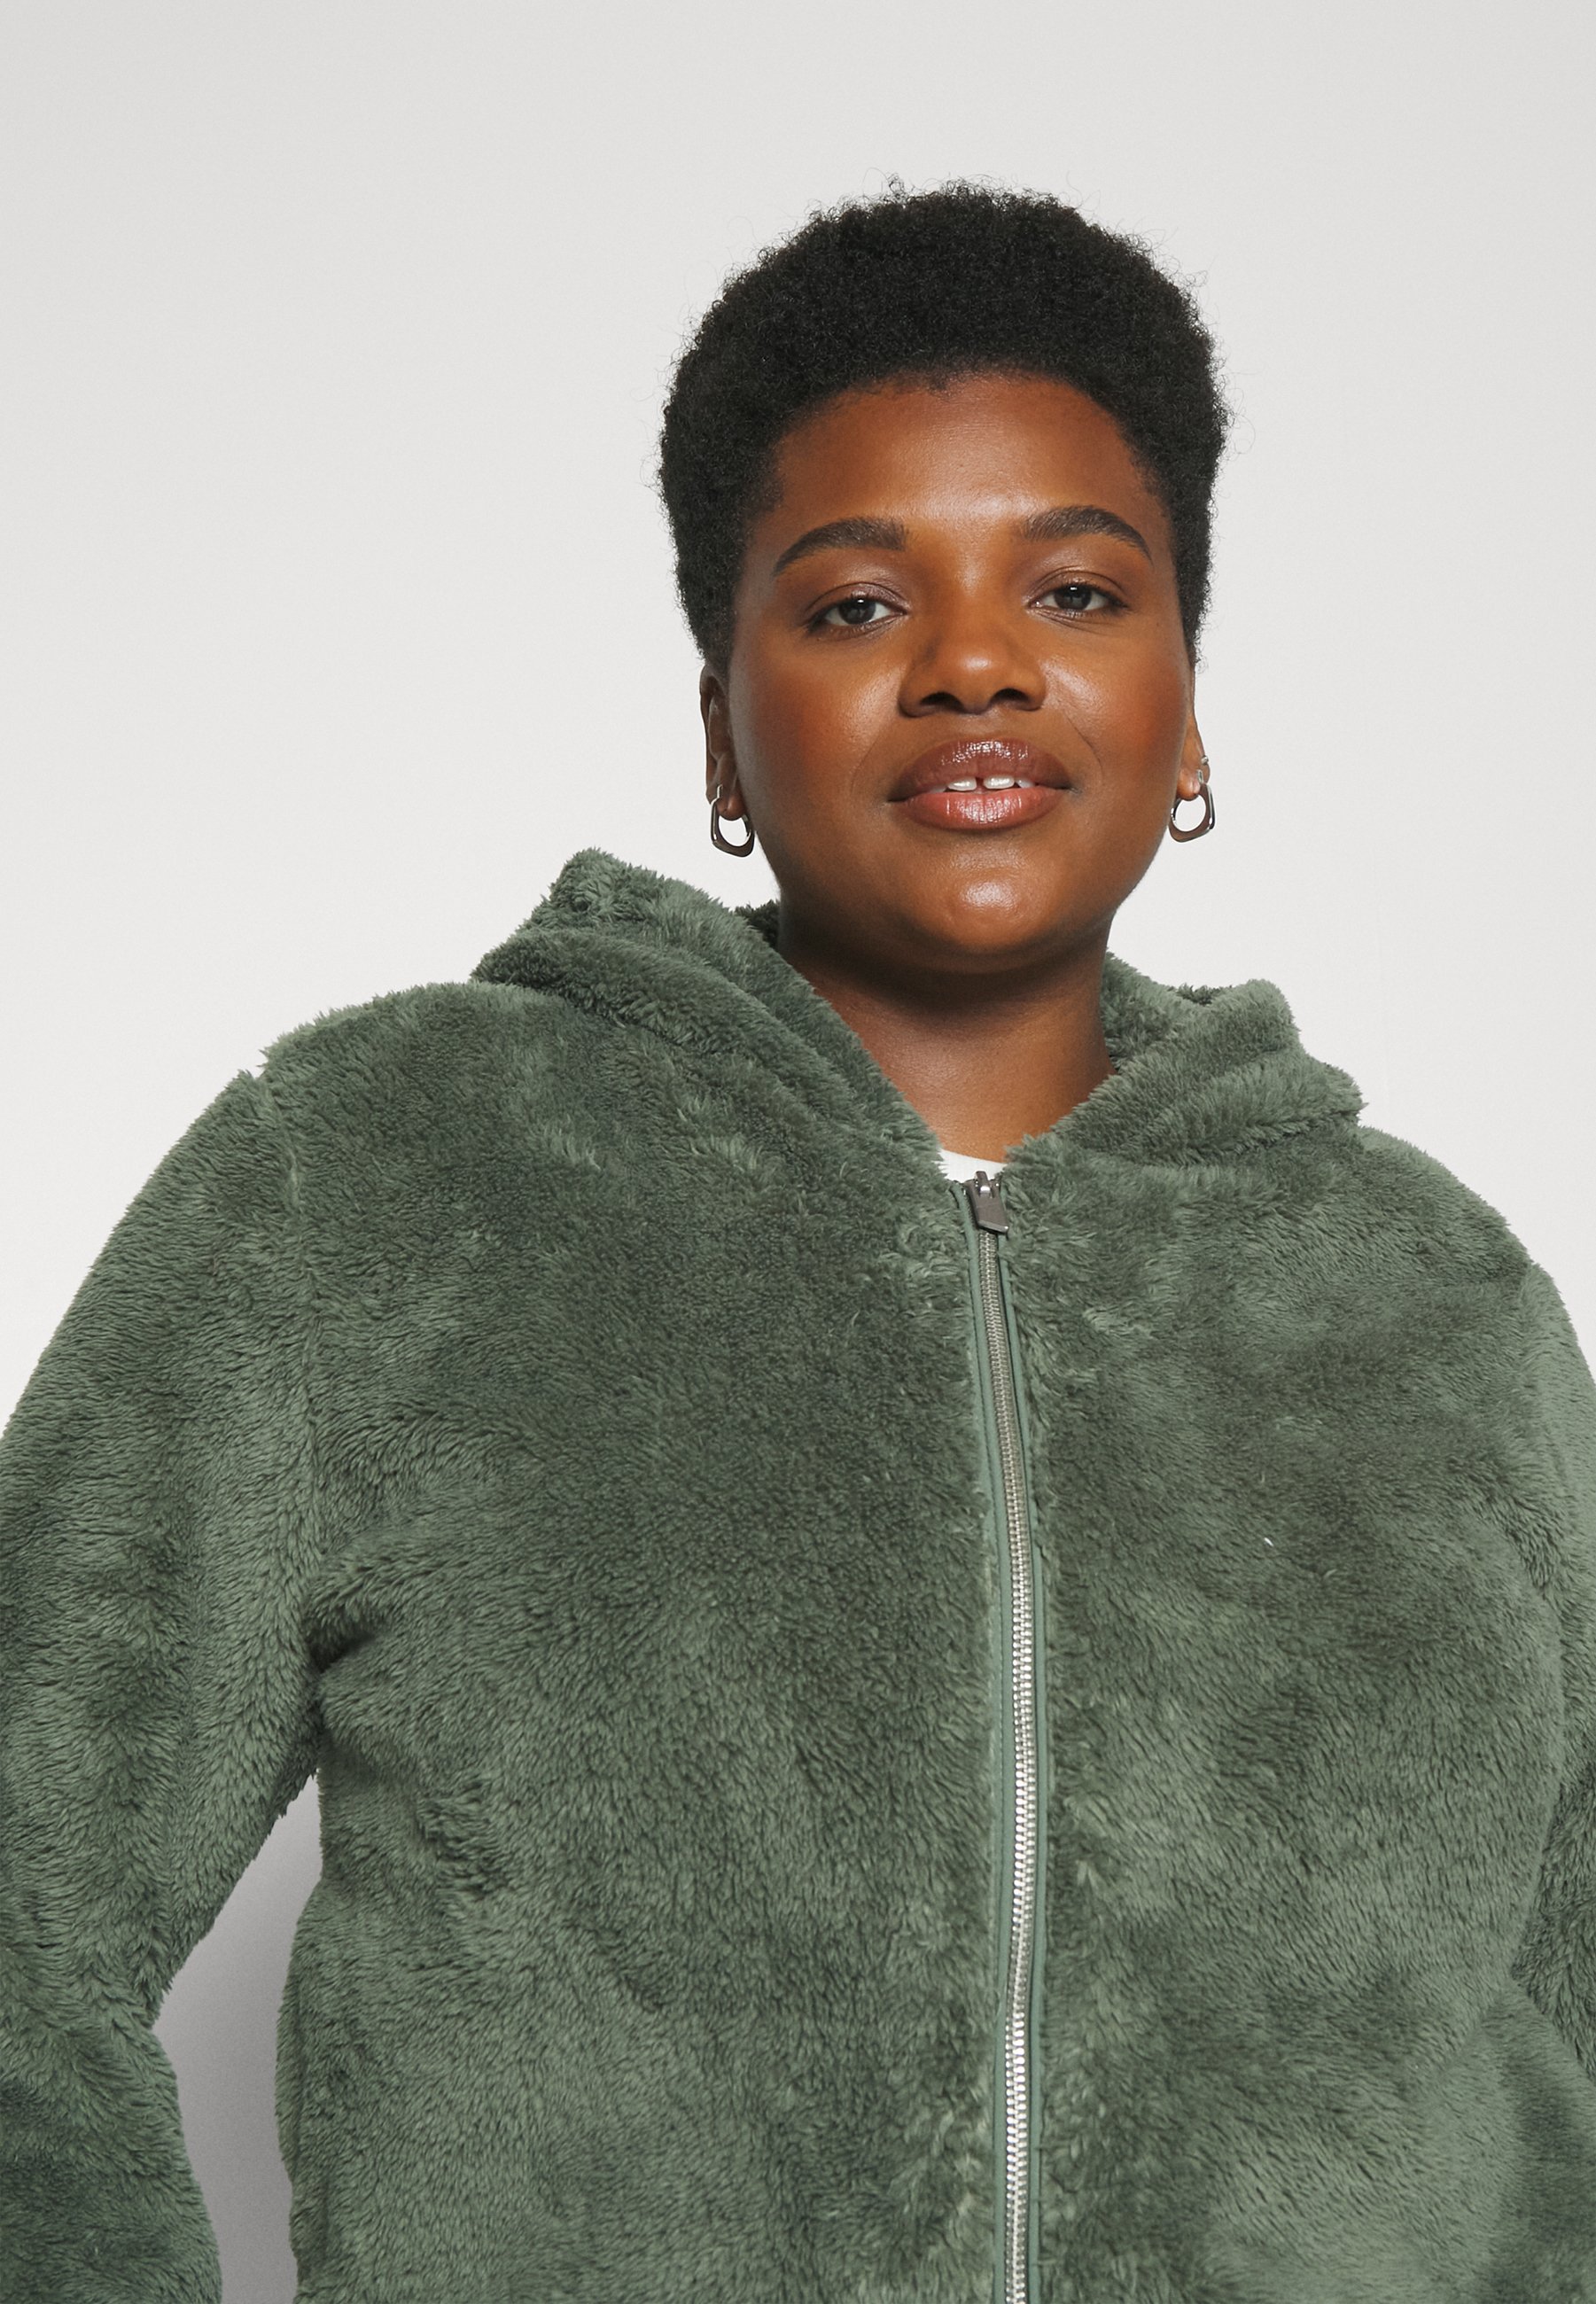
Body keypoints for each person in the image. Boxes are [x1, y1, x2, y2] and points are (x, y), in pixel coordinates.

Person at [2, 183, 1592, 2304]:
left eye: (1077, 589)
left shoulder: (1429, 1302)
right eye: (853, 605)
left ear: (1188, 707)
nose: (974, 662)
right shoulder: (386, 1180)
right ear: (718, 733)